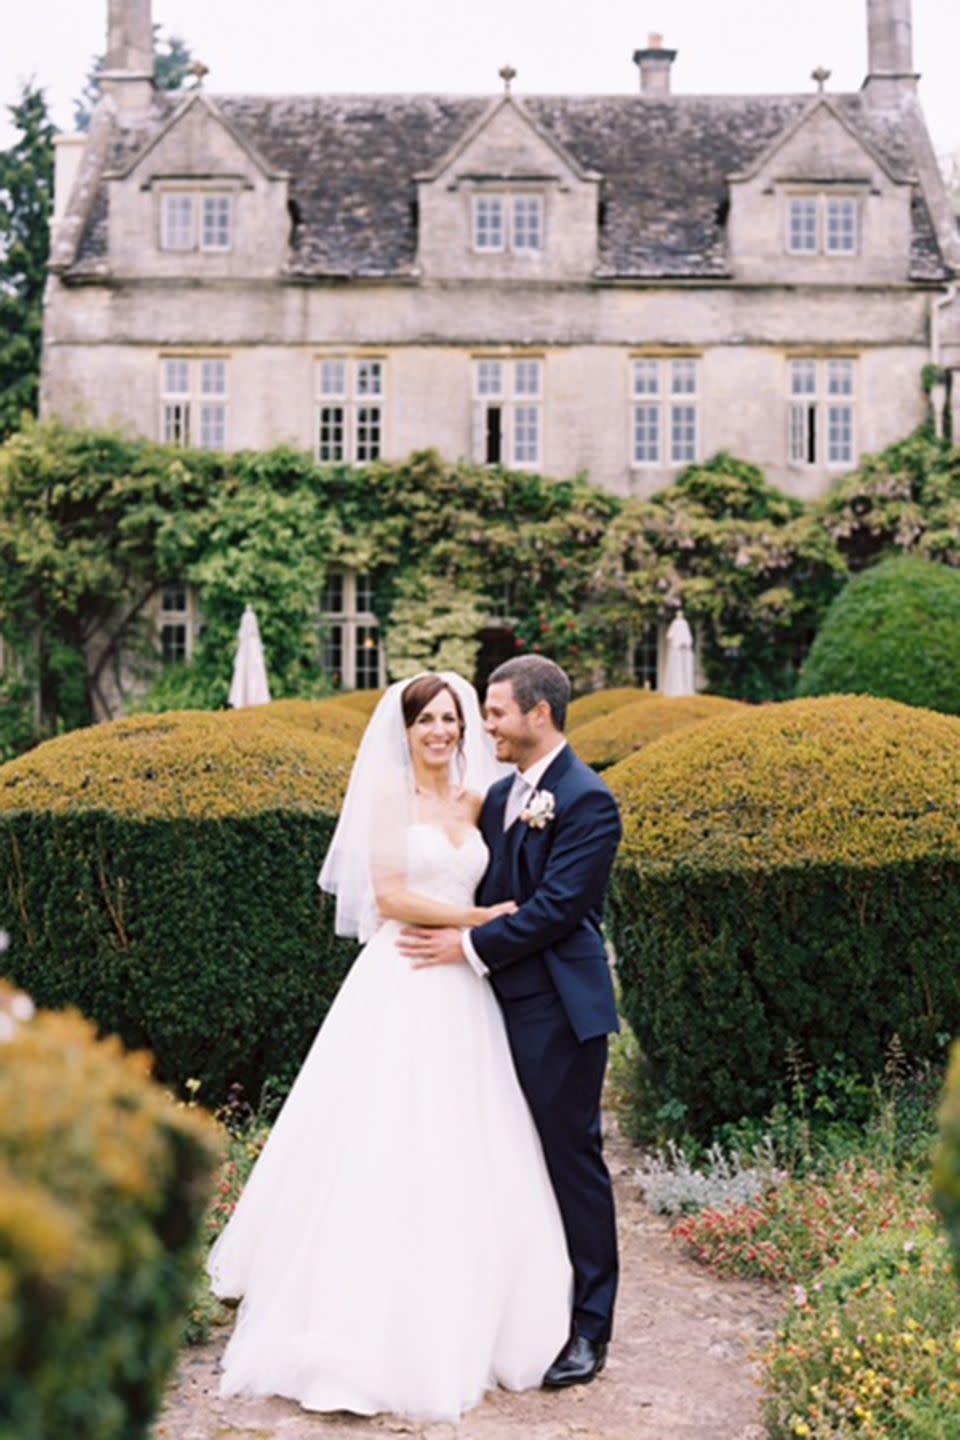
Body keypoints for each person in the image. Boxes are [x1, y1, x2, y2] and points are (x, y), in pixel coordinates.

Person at [207, 672, 572, 1423]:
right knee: (382, 1134)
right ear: (404, 731)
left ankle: (480, 1305)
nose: (441, 731)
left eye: (451, 719)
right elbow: (391, 896)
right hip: (404, 976)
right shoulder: (386, 801)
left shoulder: (479, 802)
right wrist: (478, 921)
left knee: (468, 1135)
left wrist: (487, 930)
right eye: (426, 720)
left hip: (464, 992)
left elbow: (516, 871)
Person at [397, 655, 623, 1388]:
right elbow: (472, 880)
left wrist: (463, 945)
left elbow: (557, 910)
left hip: (558, 1010)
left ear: (539, 716)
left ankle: (590, 1329)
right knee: (501, 1166)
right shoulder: (497, 798)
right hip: (487, 1009)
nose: (481, 725)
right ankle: (518, 1312)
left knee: (569, 1162)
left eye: (494, 712)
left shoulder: (589, 800)